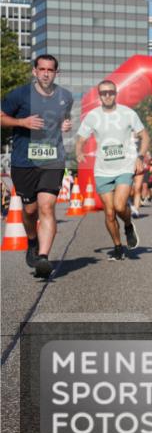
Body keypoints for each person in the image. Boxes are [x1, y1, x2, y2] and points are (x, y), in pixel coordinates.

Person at [0, 54, 74, 278]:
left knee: (47, 207)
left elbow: (63, 118)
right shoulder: (20, 95)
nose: (45, 73)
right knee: (30, 211)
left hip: (53, 160)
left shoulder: (65, 96)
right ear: (34, 71)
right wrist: (21, 122)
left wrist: (65, 124)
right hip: (24, 162)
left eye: (50, 70)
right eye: (41, 69)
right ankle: (32, 241)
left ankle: (43, 257)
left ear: (56, 73)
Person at [74, 80, 148, 260]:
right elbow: (80, 138)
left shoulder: (128, 113)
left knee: (119, 206)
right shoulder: (93, 116)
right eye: (103, 93)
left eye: (111, 92)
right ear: (99, 96)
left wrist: (140, 156)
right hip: (102, 170)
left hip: (124, 166)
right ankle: (117, 247)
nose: (107, 95)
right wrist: (78, 151)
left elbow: (144, 136)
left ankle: (128, 225)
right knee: (109, 213)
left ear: (116, 93)